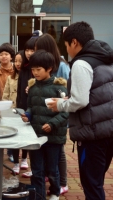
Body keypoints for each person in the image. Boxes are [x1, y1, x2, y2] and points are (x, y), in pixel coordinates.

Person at [47, 21, 113, 200]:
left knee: (91, 184)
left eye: (67, 45)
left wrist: (60, 104)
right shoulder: (105, 58)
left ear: (74, 42)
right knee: (97, 180)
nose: (67, 50)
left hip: (92, 135)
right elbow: (97, 94)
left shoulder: (81, 63)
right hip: (108, 130)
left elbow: (81, 101)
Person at [21, 50, 68, 200]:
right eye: (33, 69)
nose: (35, 73)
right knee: (37, 169)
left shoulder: (59, 88)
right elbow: (31, 107)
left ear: (49, 68)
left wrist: (52, 124)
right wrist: (27, 115)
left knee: (52, 169)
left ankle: (55, 191)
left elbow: (66, 112)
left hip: (53, 138)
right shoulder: (33, 87)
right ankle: (39, 195)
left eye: (38, 69)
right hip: (36, 135)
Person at [35, 33, 70, 194]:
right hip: (44, 115)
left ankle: (62, 183)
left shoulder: (61, 66)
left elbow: (67, 91)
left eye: (38, 49)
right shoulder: (39, 72)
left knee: (58, 153)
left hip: (58, 115)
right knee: (49, 157)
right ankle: (51, 181)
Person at [15, 38, 36, 173]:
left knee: (31, 137)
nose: (28, 53)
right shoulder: (24, 69)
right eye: (27, 50)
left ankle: (26, 161)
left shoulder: (40, 68)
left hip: (34, 108)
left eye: (32, 50)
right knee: (19, 134)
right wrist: (18, 107)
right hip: (23, 107)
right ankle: (17, 161)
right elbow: (19, 91)